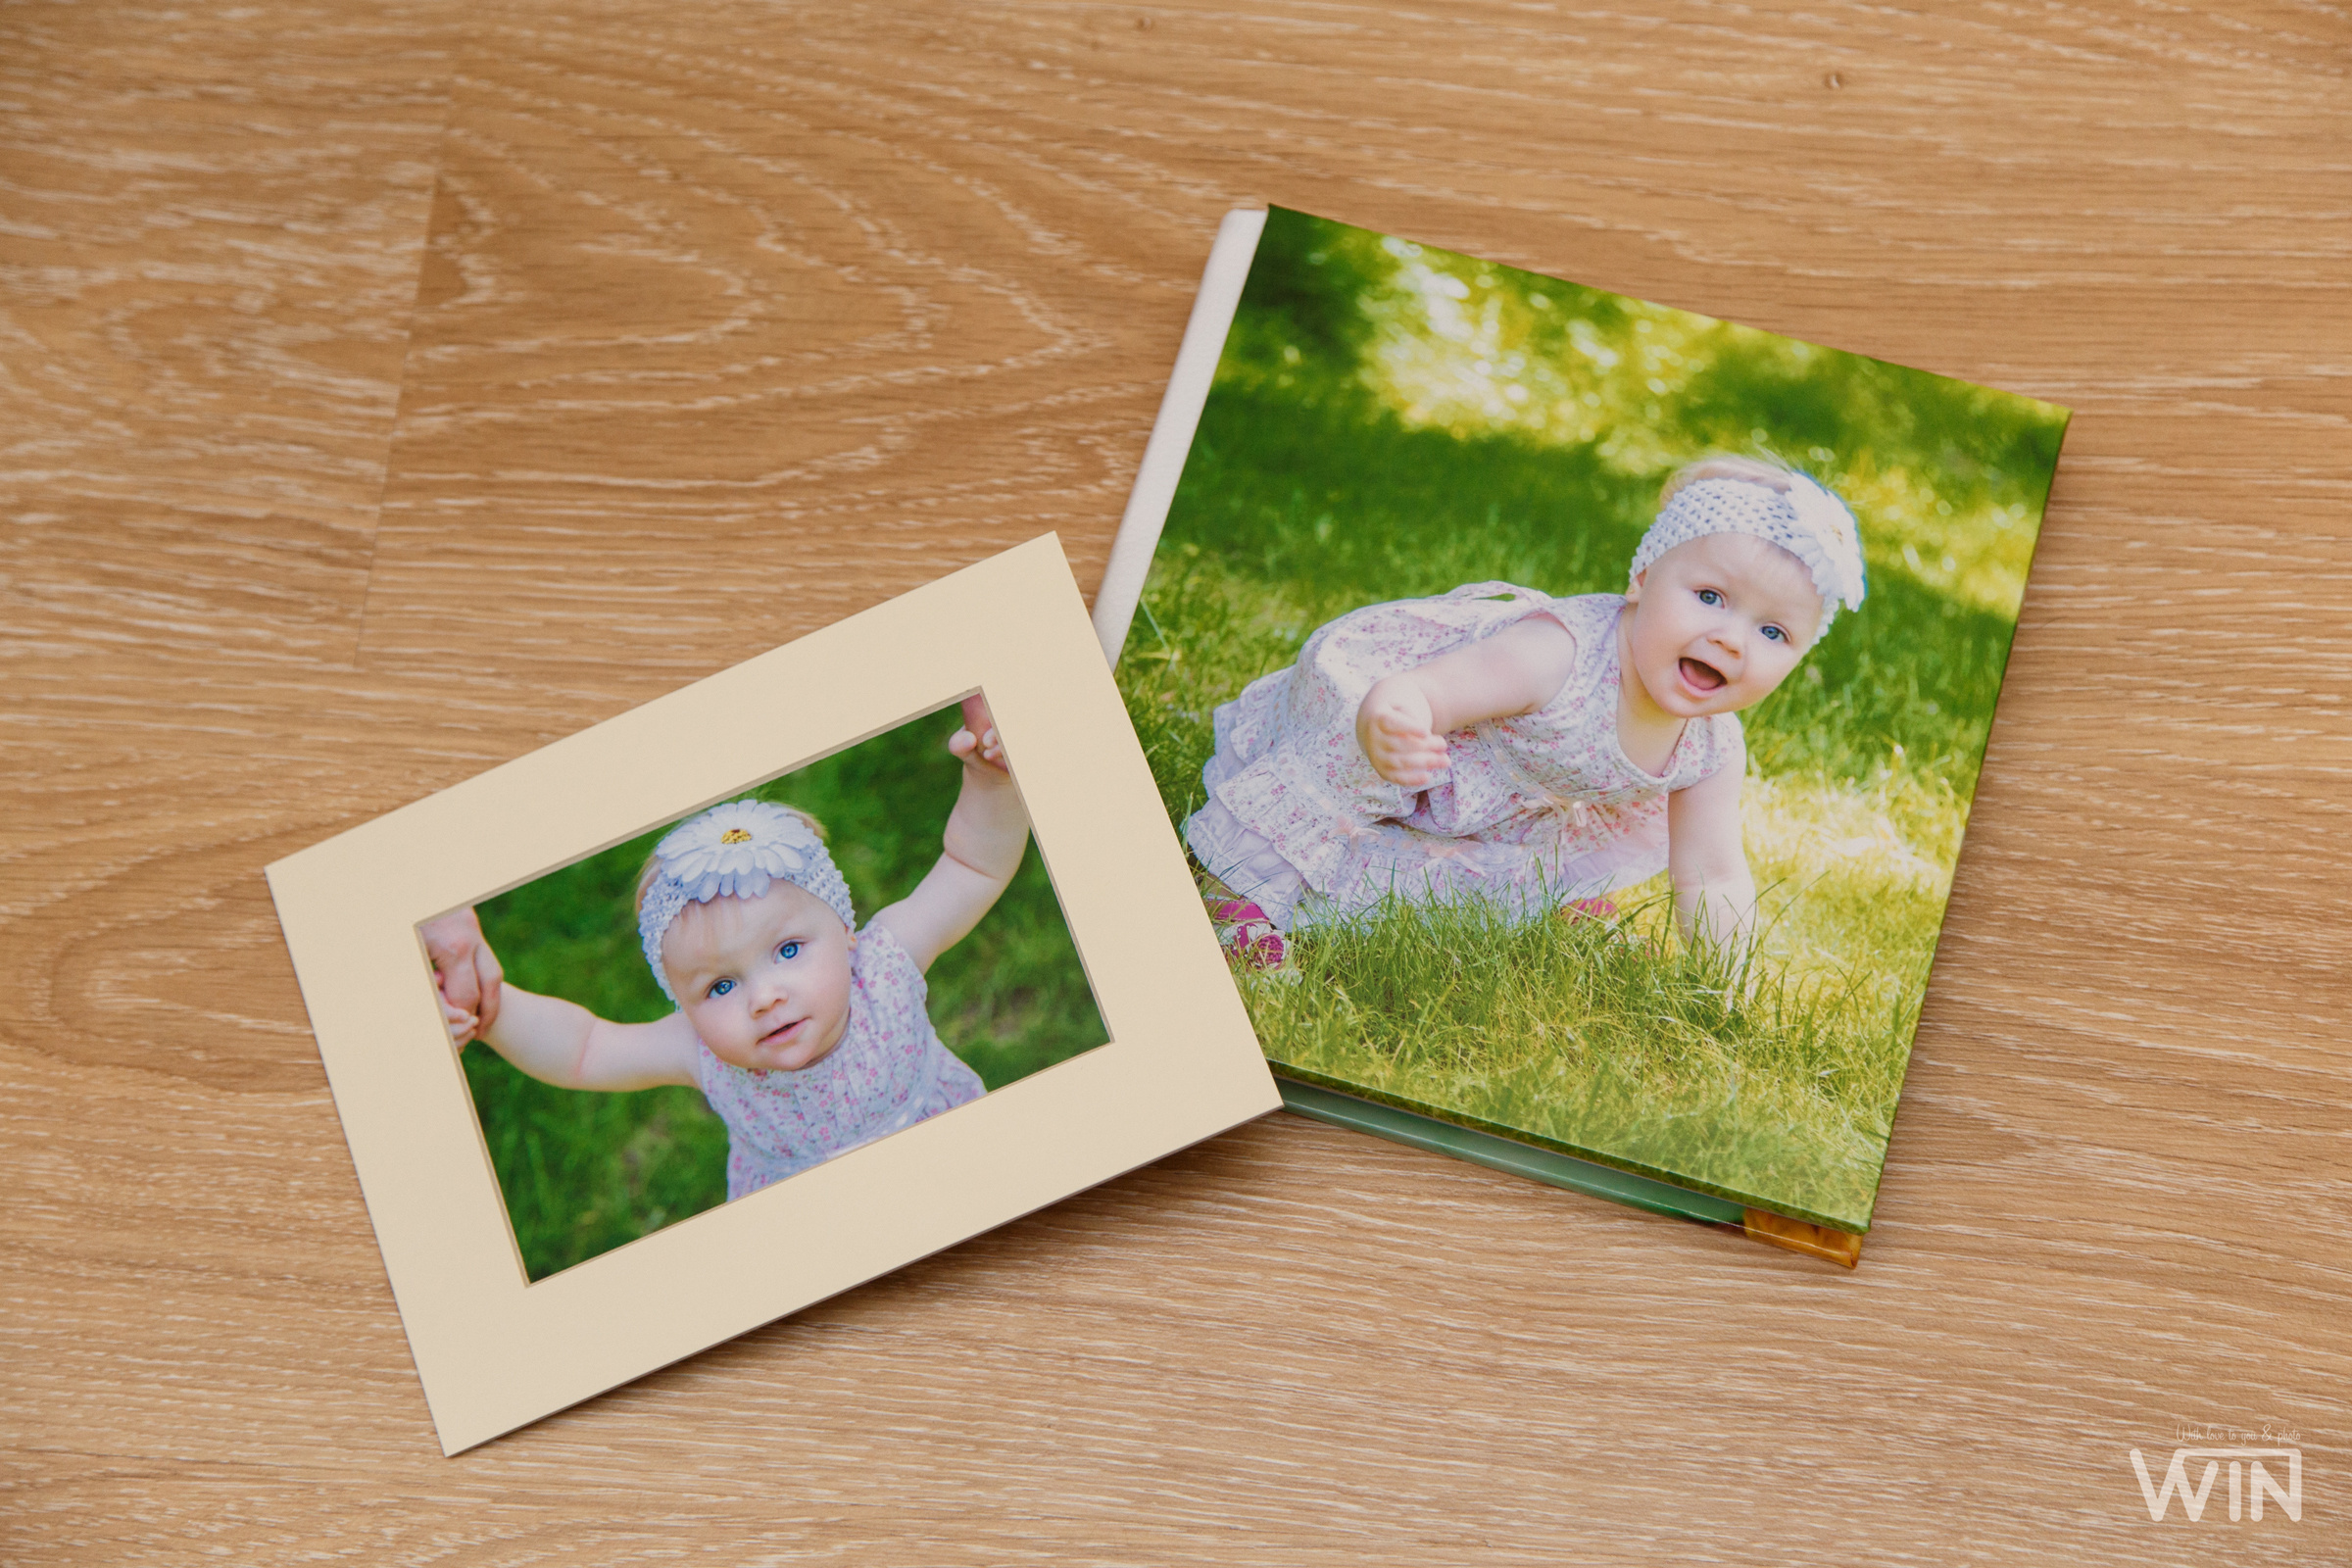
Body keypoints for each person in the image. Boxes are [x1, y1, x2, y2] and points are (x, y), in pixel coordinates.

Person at [1186, 457, 1867, 966]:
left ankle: (1549, 901)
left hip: (1501, 807)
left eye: (1774, 633)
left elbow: (1713, 872)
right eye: (1711, 597)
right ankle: (1239, 884)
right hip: (1417, 748)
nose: (1731, 638)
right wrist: (1389, 720)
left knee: (1507, 870)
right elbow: (1425, 690)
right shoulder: (1556, 655)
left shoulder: (1712, 746)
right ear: (1642, 576)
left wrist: (1728, 985)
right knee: (1356, 776)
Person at [429, 697, 1027, 1199]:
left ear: (845, 932)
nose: (764, 997)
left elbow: (972, 863)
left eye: (789, 950)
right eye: (720, 986)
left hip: (954, 1172)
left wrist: (990, 779)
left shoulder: (886, 964)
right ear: (683, 1006)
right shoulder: (700, 1051)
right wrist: (492, 1009)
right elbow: (586, 1049)